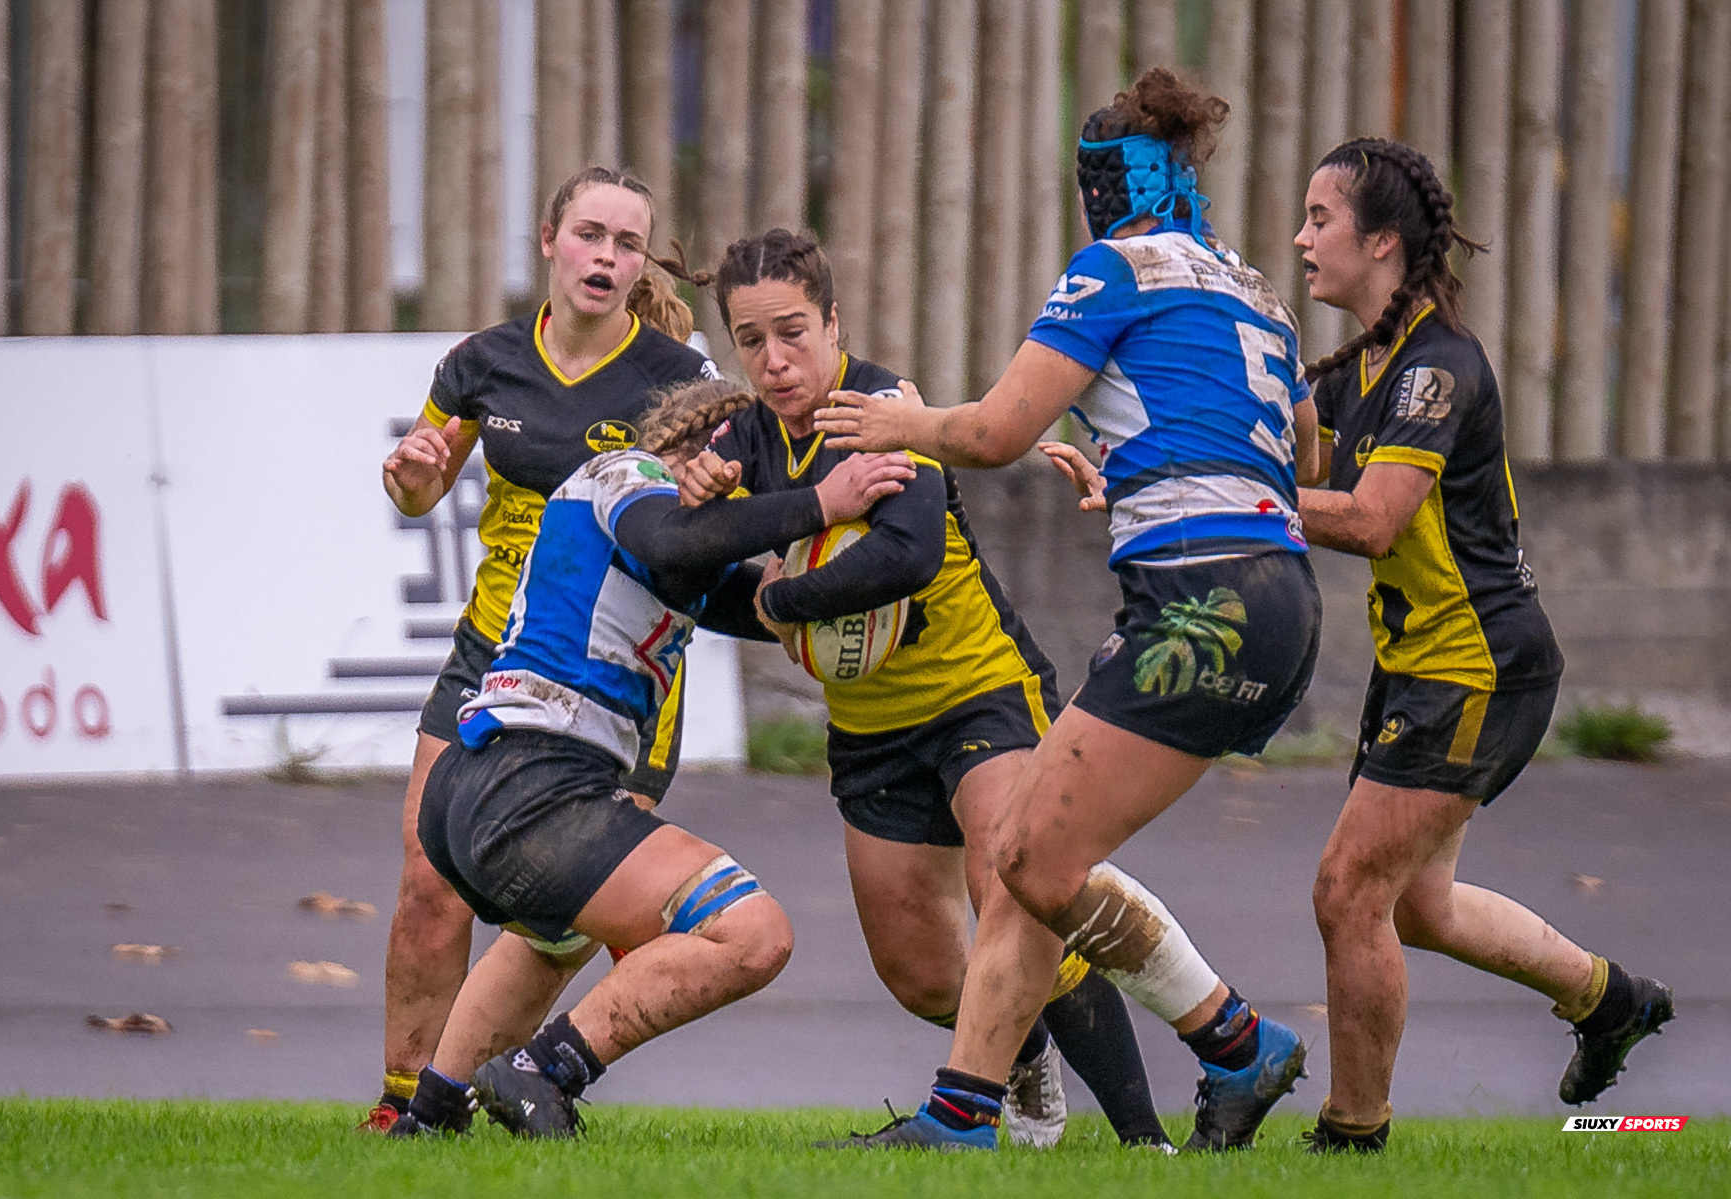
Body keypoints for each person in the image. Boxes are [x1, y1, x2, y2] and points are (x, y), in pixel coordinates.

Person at [811, 69, 1320, 1152]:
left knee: (1030, 856)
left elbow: (993, 432)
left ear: (1102, 188)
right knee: (1032, 852)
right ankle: (965, 1112)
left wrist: (901, 424)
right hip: (1283, 599)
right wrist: (1145, 465)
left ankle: (1237, 1042)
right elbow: (1302, 456)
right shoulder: (1258, 291)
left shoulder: (1114, 270)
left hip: (1200, 599)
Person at [666, 228, 1174, 1150]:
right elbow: (686, 565)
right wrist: (706, 502)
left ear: (833, 323)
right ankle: (1017, 1054)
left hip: (979, 692)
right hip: (871, 729)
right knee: (918, 972)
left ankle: (1146, 1143)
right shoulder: (743, 442)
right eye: (751, 340)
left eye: (793, 332)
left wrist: (782, 597)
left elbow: (906, 555)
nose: (775, 360)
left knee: (1017, 889)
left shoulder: (886, 408)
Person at [387, 378, 918, 1137]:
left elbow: (759, 602)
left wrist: (855, 585)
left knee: (555, 938)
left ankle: (433, 1117)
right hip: (531, 782)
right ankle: (546, 1069)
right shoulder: (627, 474)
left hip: (489, 782)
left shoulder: (673, 543)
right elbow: (672, 541)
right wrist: (821, 503)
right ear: (709, 448)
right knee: (752, 932)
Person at [1290, 138, 1673, 1153]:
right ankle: (1610, 1000)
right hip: (1421, 666)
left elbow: (1371, 518)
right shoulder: (1361, 366)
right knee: (1417, 907)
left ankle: (1352, 1137)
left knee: (1348, 890)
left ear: (1381, 240)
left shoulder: (1438, 368)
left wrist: (1235, 498)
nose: (1301, 239)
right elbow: (1300, 467)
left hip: (1479, 668)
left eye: (1320, 219)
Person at [367, 165, 718, 1131]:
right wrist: (410, 474)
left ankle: (487, 1084)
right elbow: (419, 489)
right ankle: (402, 1104)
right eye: (589, 234)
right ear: (549, 239)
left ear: (642, 264)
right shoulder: (483, 363)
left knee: (558, 912)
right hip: (493, 652)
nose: (606, 257)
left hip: (618, 679)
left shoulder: (682, 381)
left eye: (627, 243)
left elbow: (710, 522)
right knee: (428, 884)